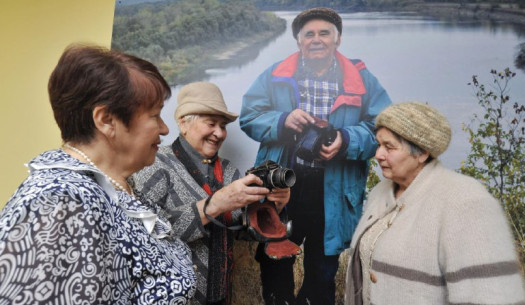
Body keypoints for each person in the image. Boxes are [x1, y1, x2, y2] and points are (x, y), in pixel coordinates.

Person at [0, 45, 197, 304]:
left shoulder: (115, 189)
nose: (163, 128)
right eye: (155, 115)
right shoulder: (61, 204)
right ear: (106, 119)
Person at [239, 7, 392, 305]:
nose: (317, 39)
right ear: (298, 41)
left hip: (333, 188)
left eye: (324, 33)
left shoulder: (361, 79)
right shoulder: (276, 75)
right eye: (309, 34)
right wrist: (283, 120)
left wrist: (345, 140)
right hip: (284, 185)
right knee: (274, 259)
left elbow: (383, 127)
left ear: (338, 39)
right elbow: (249, 117)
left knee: (322, 269)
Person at [345, 102, 525, 305]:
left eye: (389, 147)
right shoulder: (380, 194)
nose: (378, 154)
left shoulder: (466, 201)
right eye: (379, 144)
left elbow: (493, 296)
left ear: (422, 152)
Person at [132, 81, 291, 305]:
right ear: (183, 123)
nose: (219, 133)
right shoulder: (155, 165)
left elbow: (243, 232)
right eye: (211, 124)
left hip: (221, 297)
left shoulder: (229, 171)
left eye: (223, 125)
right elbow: (143, 235)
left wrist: (276, 206)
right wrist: (214, 205)